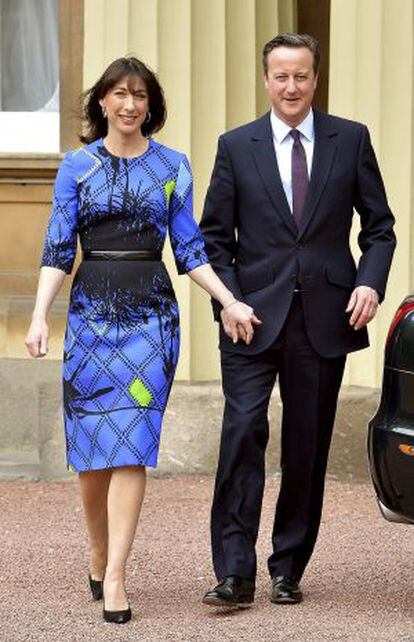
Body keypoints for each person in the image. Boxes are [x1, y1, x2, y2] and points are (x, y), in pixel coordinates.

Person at [25, 57, 258, 624]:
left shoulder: (173, 166)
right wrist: (38, 316)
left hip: (150, 321)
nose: (129, 104)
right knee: (90, 455)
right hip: (89, 316)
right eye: (119, 94)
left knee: (131, 444)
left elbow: (191, 251)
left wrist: (228, 300)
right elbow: (58, 250)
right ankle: (99, 551)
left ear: (150, 105)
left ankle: (119, 577)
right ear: (101, 101)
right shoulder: (75, 166)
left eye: (140, 95)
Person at [200, 33, 396, 607]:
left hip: (324, 319)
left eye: (301, 76)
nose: (291, 86)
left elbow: (379, 227)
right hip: (250, 318)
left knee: (306, 448)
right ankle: (234, 573)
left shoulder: (350, 139)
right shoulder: (236, 146)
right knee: (242, 435)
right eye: (281, 76)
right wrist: (230, 302)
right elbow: (214, 239)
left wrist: (369, 280)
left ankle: (288, 566)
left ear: (316, 78)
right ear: (266, 80)